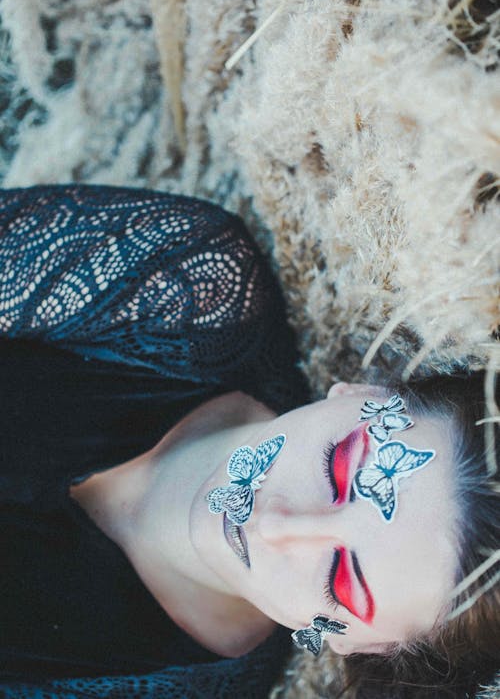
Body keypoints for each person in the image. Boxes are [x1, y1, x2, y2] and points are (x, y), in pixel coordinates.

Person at [0, 184, 498, 699]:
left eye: (340, 583)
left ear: (363, 647)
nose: (275, 526)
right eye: (339, 466)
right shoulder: (185, 282)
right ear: (360, 393)